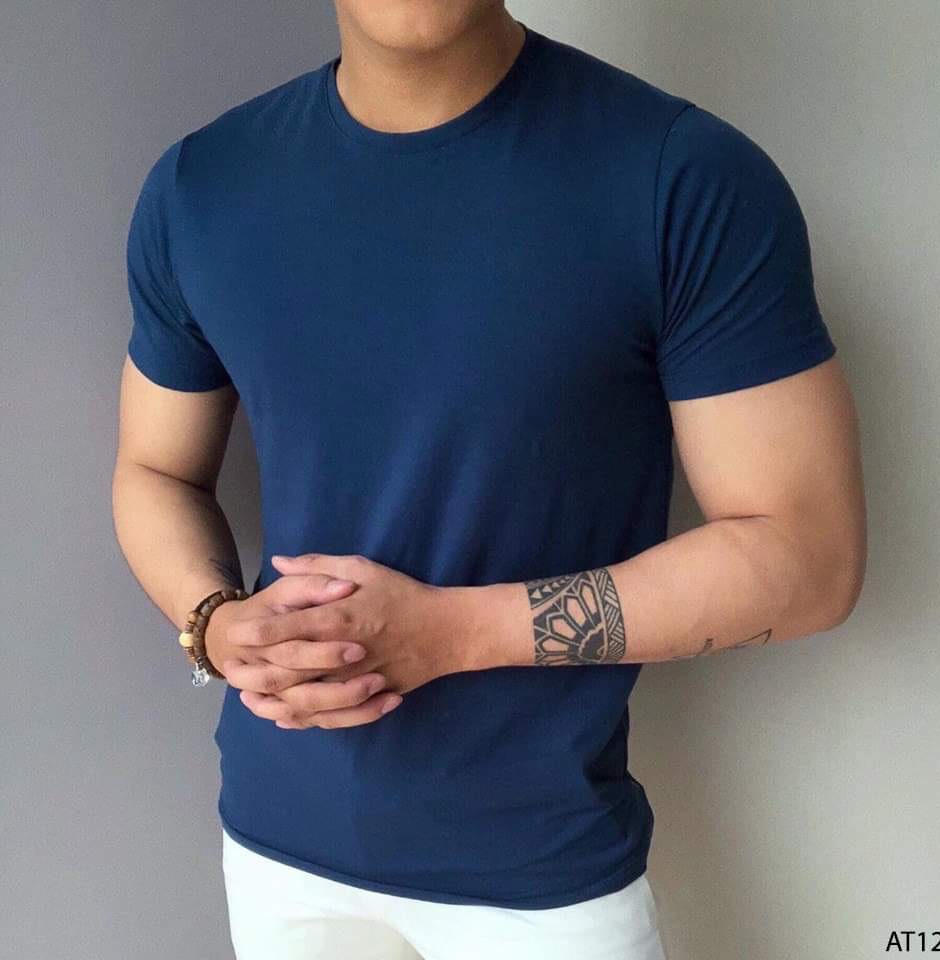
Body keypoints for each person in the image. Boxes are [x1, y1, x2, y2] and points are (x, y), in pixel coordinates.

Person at [113, 2, 867, 958]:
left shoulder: (682, 177)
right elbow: (154, 470)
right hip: (274, 855)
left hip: (542, 887)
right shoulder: (201, 186)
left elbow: (808, 558)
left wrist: (451, 633)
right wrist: (215, 625)